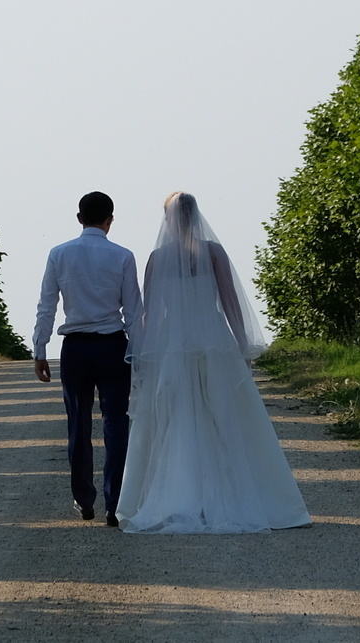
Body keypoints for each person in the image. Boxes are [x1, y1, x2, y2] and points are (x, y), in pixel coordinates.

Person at [113, 191, 310, 533]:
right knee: (225, 423)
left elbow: (148, 314)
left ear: (167, 220)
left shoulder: (157, 258)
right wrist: (244, 346)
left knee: (177, 424)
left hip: (174, 350)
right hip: (213, 344)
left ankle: (178, 496)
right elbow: (230, 302)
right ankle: (237, 497)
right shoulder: (213, 252)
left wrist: (142, 353)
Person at [33, 189, 142, 525]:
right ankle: (116, 500)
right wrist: (139, 353)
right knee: (116, 422)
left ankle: (84, 497)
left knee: (78, 425)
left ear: (79, 218)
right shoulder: (123, 256)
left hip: (76, 349)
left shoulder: (59, 254)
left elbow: (47, 305)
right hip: (113, 347)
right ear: (110, 220)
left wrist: (40, 349)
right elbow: (134, 312)